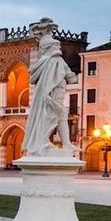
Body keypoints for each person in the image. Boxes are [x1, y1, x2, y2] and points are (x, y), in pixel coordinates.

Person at [22, 18, 79, 156]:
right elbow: (72, 78)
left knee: (58, 116)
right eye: (56, 46)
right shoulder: (54, 61)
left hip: (54, 92)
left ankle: (65, 143)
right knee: (53, 116)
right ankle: (44, 142)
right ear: (48, 48)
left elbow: (71, 77)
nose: (59, 48)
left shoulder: (48, 62)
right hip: (53, 94)